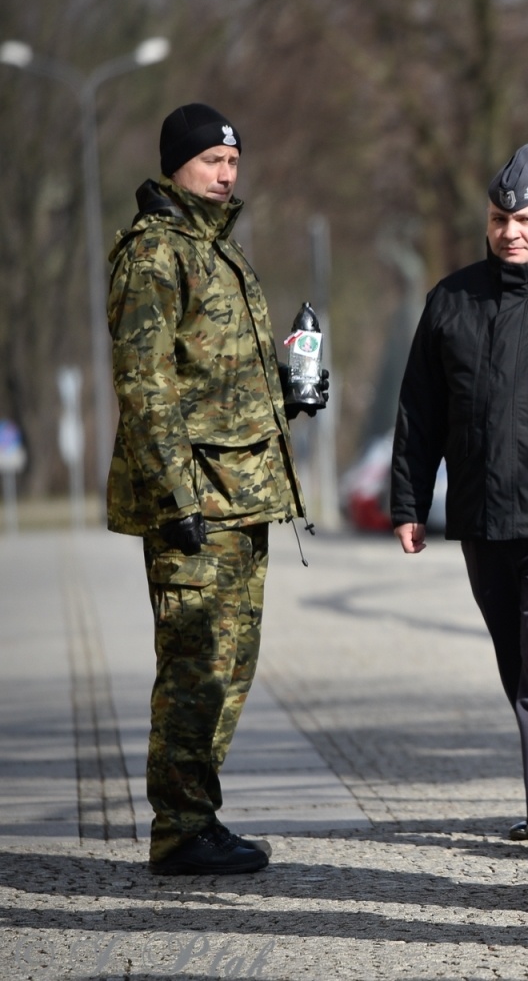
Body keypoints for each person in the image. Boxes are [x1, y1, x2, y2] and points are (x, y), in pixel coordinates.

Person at [107, 103, 327, 875]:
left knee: (229, 665)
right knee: (195, 665)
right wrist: (179, 499)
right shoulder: (155, 254)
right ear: (176, 166)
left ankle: (197, 818)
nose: (226, 172)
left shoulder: (220, 250)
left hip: (244, 494)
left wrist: (288, 391)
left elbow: (216, 376)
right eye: (210, 161)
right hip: (197, 501)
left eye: (232, 161)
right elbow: (146, 385)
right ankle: (179, 830)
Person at [390, 143, 528, 852]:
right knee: (519, 663)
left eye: (526, 218)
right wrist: (409, 502)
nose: (512, 230)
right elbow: (420, 412)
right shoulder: (451, 300)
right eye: (499, 219)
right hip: (484, 515)